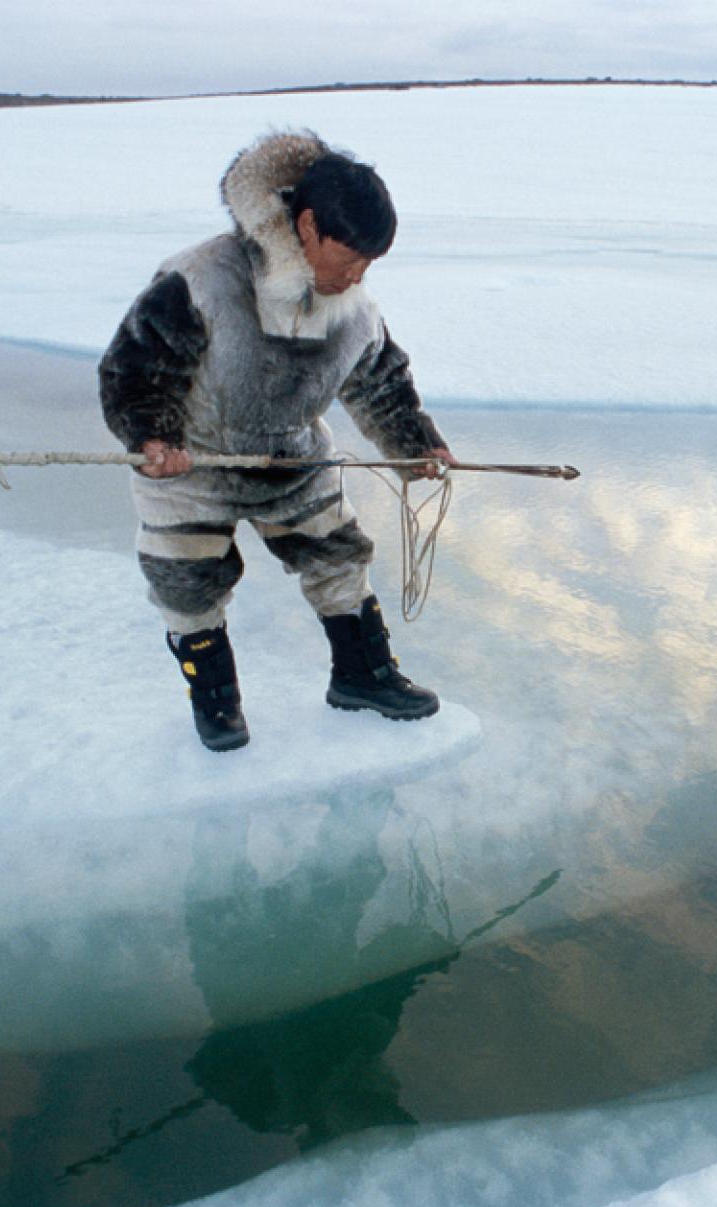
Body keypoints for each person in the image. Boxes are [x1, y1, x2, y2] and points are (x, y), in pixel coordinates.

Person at [99, 130, 455, 752]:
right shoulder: (202, 278)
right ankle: (217, 706)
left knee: (339, 559)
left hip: (291, 456)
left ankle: (362, 677)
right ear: (310, 227)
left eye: (369, 264)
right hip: (192, 459)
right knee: (186, 583)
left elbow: (380, 382)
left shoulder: (355, 309)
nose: (357, 276)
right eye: (350, 259)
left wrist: (414, 444)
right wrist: (152, 437)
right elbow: (133, 368)